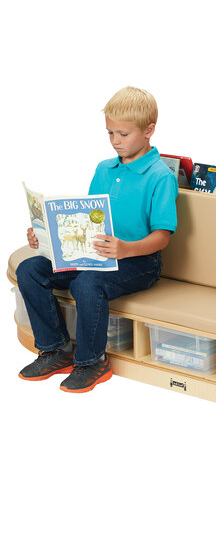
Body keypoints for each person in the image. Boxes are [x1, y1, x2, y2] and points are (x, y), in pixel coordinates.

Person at [16, 86, 178, 393]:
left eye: (124, 134)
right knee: (30, 270)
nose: (116, 140)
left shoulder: (160, 176)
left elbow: (162, 238)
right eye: (110, 133)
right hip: (95, 255)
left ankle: (93, 362)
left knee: (87, 283)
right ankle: (55, 349)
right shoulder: (104, 169)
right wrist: (43, 237)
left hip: (139, 262)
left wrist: (125, 248)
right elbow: (88, 219)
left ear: (148, 131)